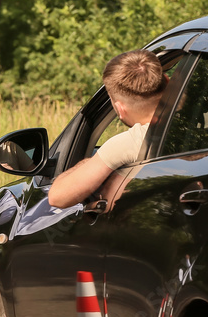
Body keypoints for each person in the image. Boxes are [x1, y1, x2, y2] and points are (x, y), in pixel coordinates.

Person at [48, 49, 166, 209]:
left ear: (120, 108)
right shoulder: (201, 114)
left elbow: (57, 198)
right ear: (166, 78)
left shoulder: (132, 142)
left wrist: (91, 162)